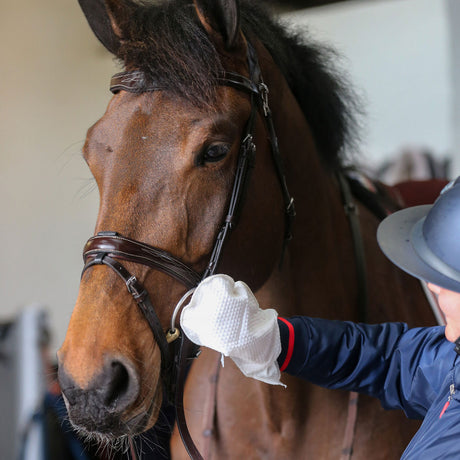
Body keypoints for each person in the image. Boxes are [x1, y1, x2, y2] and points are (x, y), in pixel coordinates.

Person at [180, 176, 460, 459]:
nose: (433, 286)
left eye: (446, 279)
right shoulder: (452, 360)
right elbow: (391, 359)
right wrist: (274, 339)